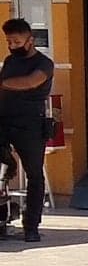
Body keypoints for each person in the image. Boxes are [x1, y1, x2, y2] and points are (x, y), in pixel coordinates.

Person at [0, 18, 55, 243]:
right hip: (3, 121)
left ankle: (31, 226)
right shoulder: (9, 61)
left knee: (34, 175)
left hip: (30, 125)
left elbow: (31, 82)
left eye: (16, 41)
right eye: (8, 41)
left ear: (30, 40)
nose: (12, 45)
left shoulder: (44, 64)